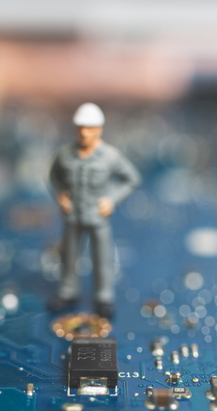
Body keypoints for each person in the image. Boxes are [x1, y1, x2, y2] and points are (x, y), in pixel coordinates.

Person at [48, 103, 141, 319]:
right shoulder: (64, 155)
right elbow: (54, 177)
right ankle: (68, 290)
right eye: (80, 127)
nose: (84, 132)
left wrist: (112, 199)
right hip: (72, 216)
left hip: (98, 217)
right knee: (69, 255)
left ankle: (103, 296)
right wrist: (60, 194)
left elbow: (131, 179)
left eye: (89, 128)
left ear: (99, 129)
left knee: (102, 258)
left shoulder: (110, 156)